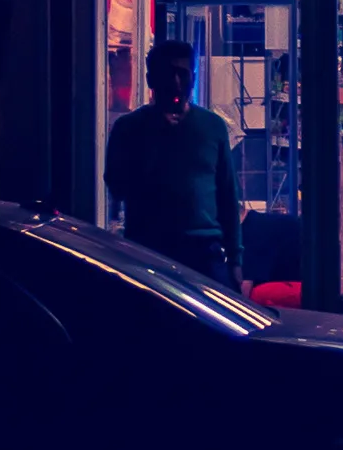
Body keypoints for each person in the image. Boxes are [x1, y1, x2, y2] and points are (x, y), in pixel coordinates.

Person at [103, 39, 243, 289]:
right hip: (149, 249)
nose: (176, 84)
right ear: (151, 79)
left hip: (203, 249)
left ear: (193, 77)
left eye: (183, 74)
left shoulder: (212, 127)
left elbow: (227, 195)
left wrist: (235, 258)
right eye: (168, 75)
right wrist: (156, 140)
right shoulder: (129, 129)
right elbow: (117, 187)